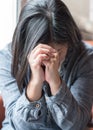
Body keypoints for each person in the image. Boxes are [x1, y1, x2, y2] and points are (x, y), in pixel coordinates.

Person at [0, 0, 93, 130]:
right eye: (43, 52)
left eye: (59, 51)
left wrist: (55, 82)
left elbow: (76, 125)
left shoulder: (85, 57)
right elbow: (19, 126)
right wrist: (35, 82)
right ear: (27, 44)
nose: (51, 59)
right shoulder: (7, 57)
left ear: (69, 41)